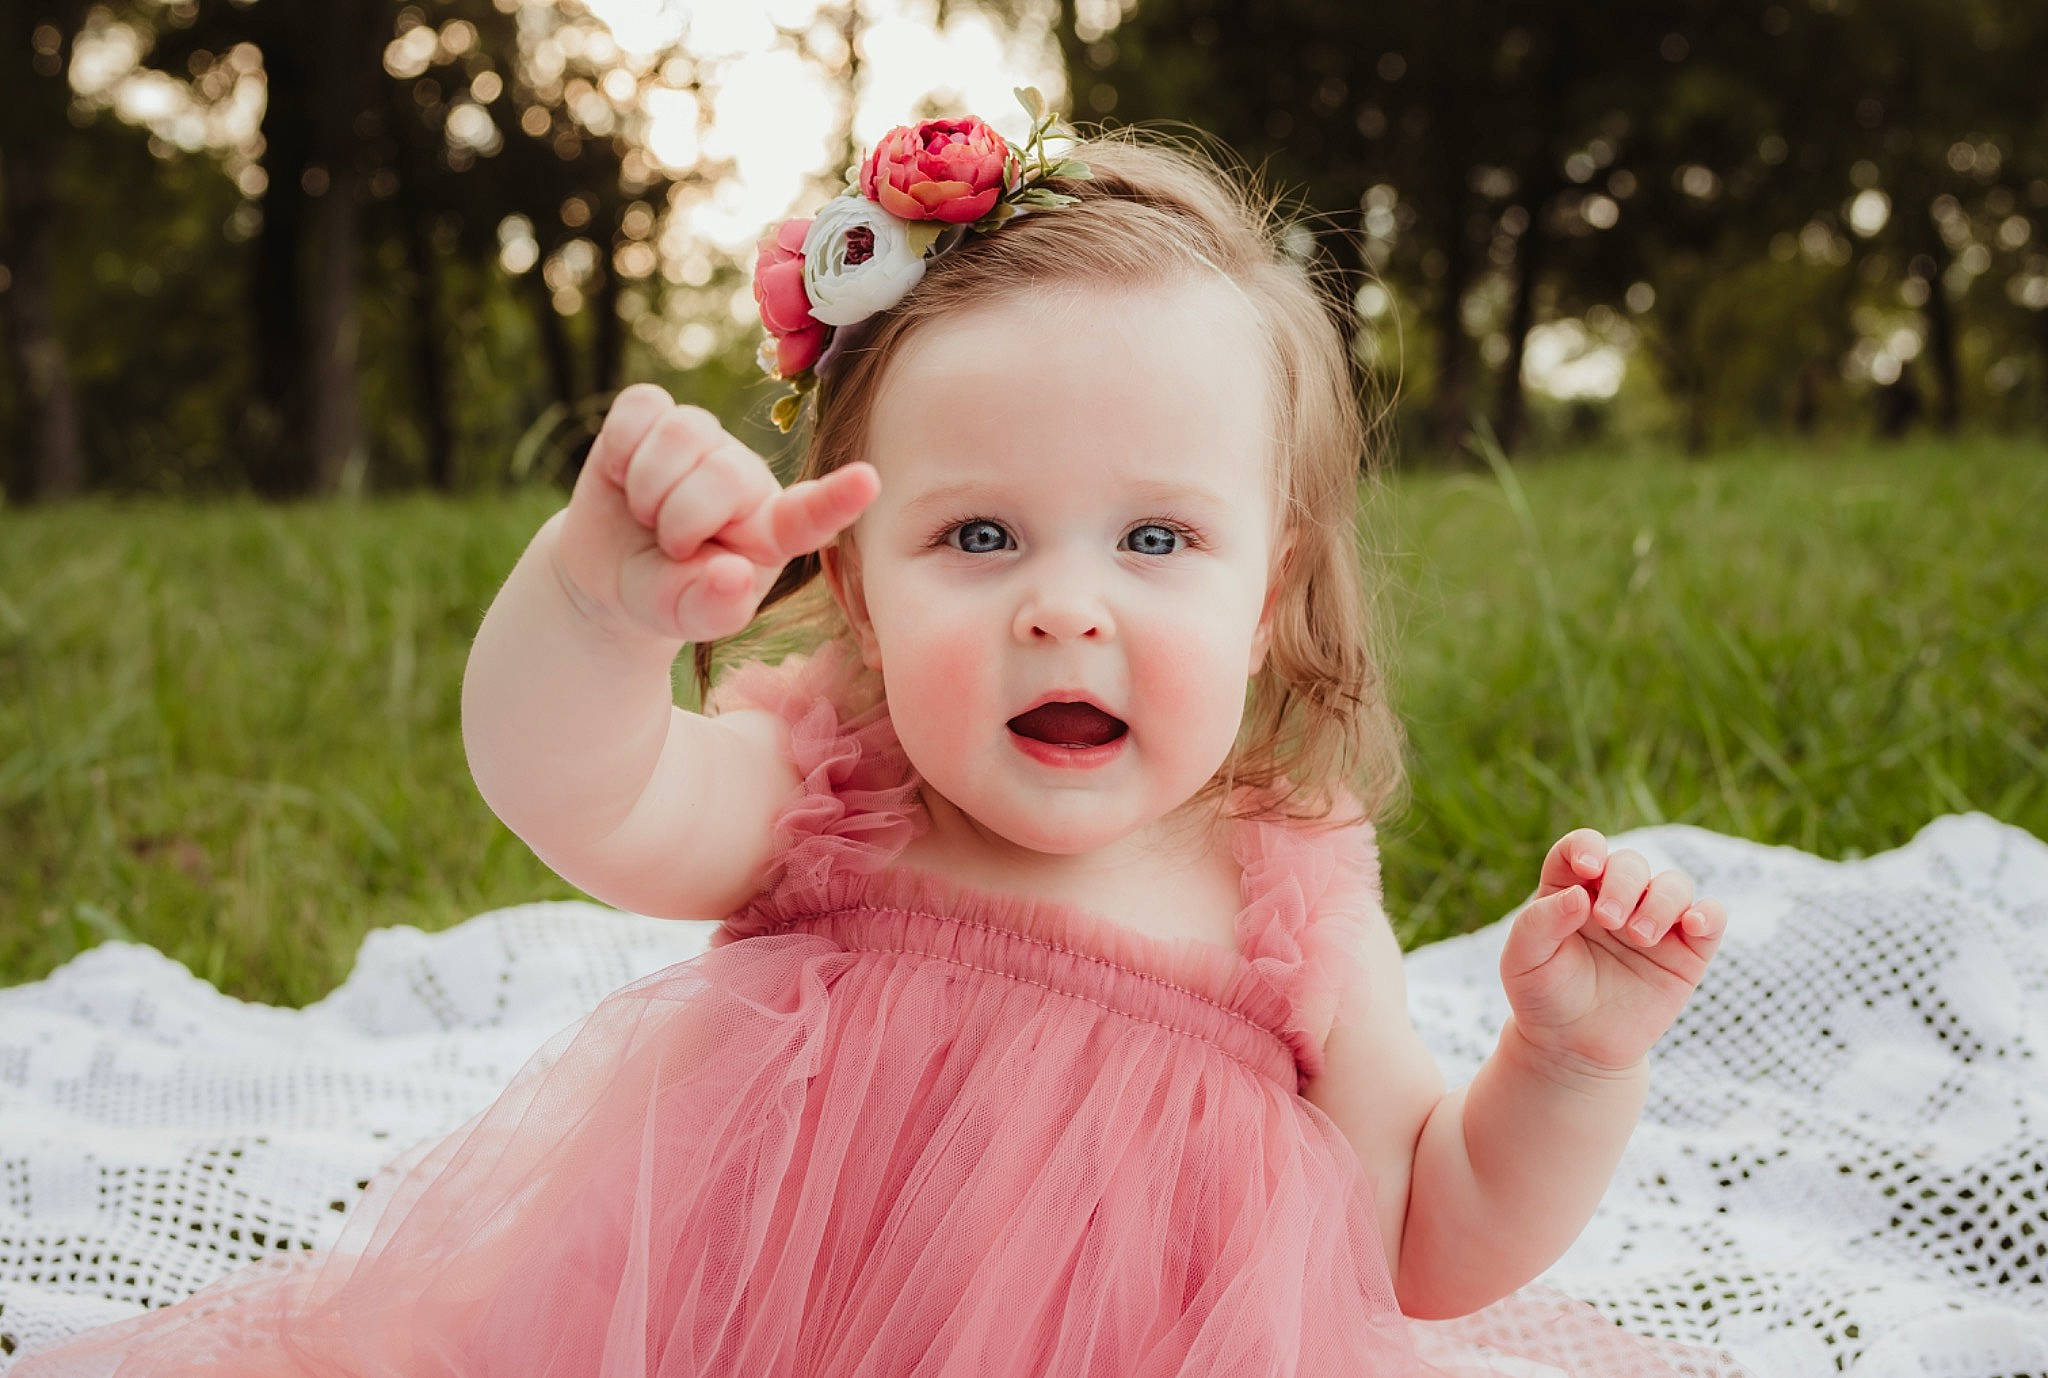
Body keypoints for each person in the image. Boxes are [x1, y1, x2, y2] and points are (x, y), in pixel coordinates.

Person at [14, 96, 1751, 1376]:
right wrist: (597, 608)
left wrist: (1571, 1065)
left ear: (1270, 577)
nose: (1064, 607)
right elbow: (573, 788)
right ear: (851, 573)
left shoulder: (1284, 890)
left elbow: (1429, 1242)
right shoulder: (831, 789)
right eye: (978, 536)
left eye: (1155, 539)